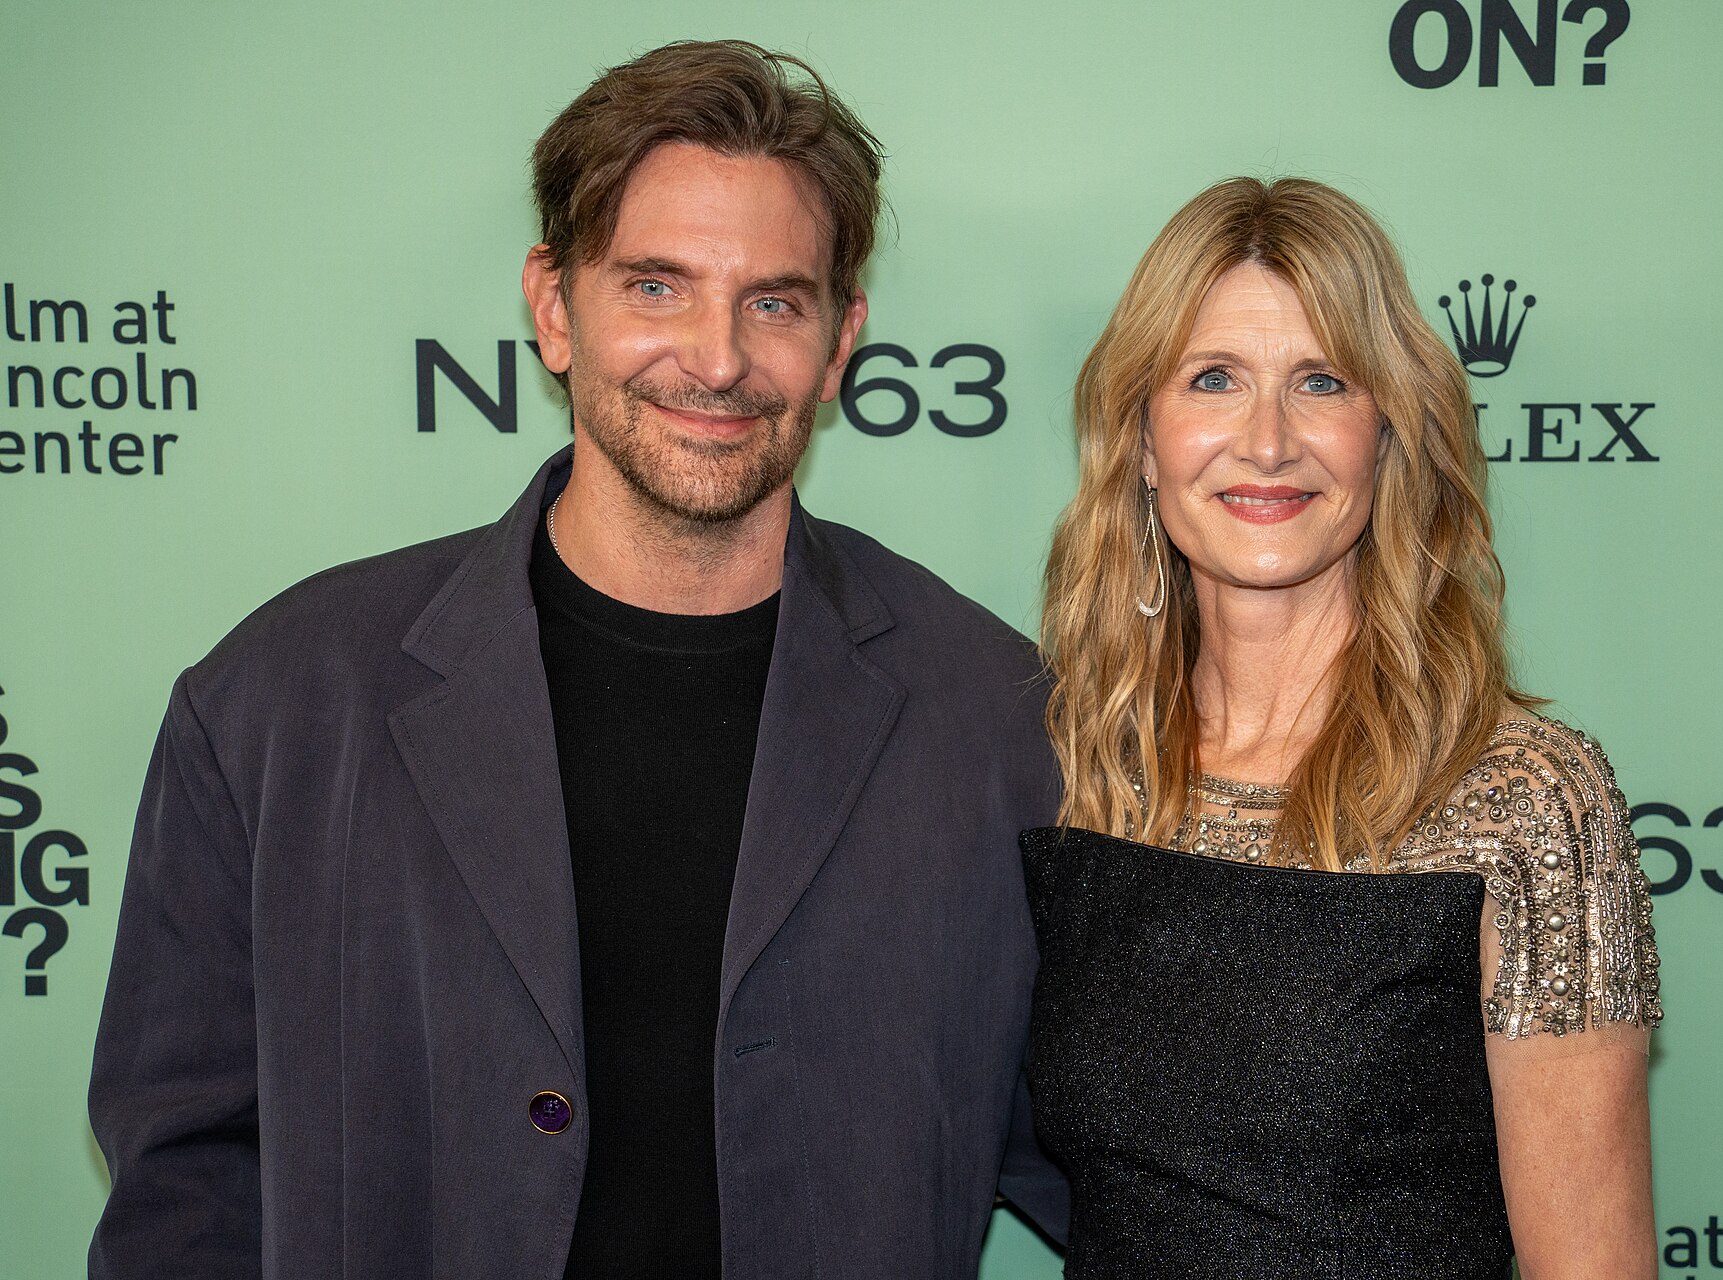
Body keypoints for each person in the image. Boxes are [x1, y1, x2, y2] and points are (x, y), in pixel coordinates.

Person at [88, 41, 1064, 1280]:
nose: (717, 359)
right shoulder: (280, 704)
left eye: (774, 299)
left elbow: (1121, 1157)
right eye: (657, 287)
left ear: (840, 338)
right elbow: (183, 1184)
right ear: (555, 307)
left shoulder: (997, 717)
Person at [1022, 177, 1662, 1278]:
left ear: (1387, 435)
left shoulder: (1523, 795)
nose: (1266, 441)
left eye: (1321, 381)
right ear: (1140, 438)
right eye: (1213, 379)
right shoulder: (1084, 765)